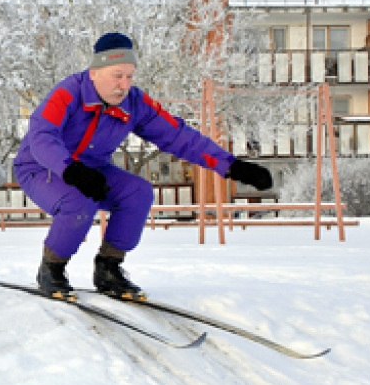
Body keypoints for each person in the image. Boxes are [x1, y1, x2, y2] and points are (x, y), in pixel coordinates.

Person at [14, 32, 273, 298]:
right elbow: (41, 136)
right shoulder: (68, 92)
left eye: (129, 76)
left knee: (137, 192)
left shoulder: (135, 103)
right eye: (117, 75)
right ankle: (52, 269)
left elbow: (178, 136)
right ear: (94, 73)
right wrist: (70, 170)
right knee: (79, 201)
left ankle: (108, 268)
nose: (124, 85)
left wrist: (232, 166)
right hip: (41, 167)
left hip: (92, 168)